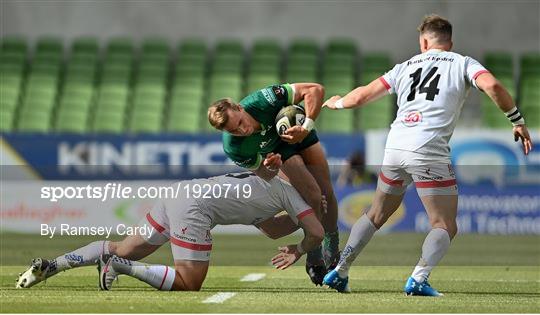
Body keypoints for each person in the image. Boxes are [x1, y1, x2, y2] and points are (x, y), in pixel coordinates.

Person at [322, 14, 533, 295]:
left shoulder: (405, 66)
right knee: (444, 224)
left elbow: (361, 97)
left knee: (375, 214)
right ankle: (418, 279)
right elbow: (492, 86)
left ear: (424, 41)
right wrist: (516, 119)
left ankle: (340, 270)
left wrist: (337, 103)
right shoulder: (463, 63)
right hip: (428, 150)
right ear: (450, 42)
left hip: (395, 146)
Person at [16, 170, 324, 291]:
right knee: (189, 282)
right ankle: (123, 268)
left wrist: (299, 220)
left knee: (123, 246)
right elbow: (317, 234)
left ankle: (51, 266)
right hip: (195, 208)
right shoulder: (291, 193)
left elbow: (271, 229)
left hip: (180, 192)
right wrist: (299, 249)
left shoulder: (267, 179)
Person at [208, 83, 340, 285]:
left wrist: (306, 127)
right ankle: (314, 253)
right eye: (234, 131)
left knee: (326, 193)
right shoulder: (233, 147)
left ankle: (331, 240)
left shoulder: (262, 100)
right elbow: (264, 173)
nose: (243, 130)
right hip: (280, 152)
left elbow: (316, 89)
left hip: (300, 132)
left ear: (240, 108)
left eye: (241, 122)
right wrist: (271, 167)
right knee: (313, 197)